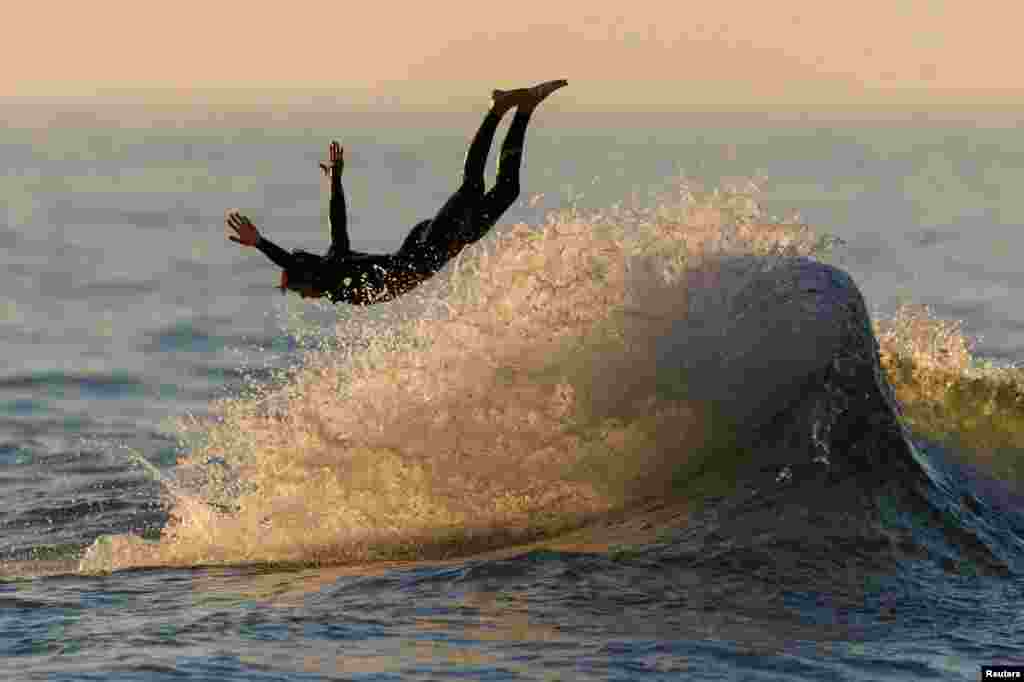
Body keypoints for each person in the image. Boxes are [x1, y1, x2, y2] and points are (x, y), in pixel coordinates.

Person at [225, 79, 568, 305]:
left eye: (297, 288)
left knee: (472, 186)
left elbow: (317, 239)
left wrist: (260, 243)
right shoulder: (336, 273)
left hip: (428, 250)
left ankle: (499, 107)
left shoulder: (333, 278)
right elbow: (338, 225)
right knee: (507, 190)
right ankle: (525, 108)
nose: (301, 296)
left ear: (310, 277)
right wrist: (336, 182)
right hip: (429, 249)